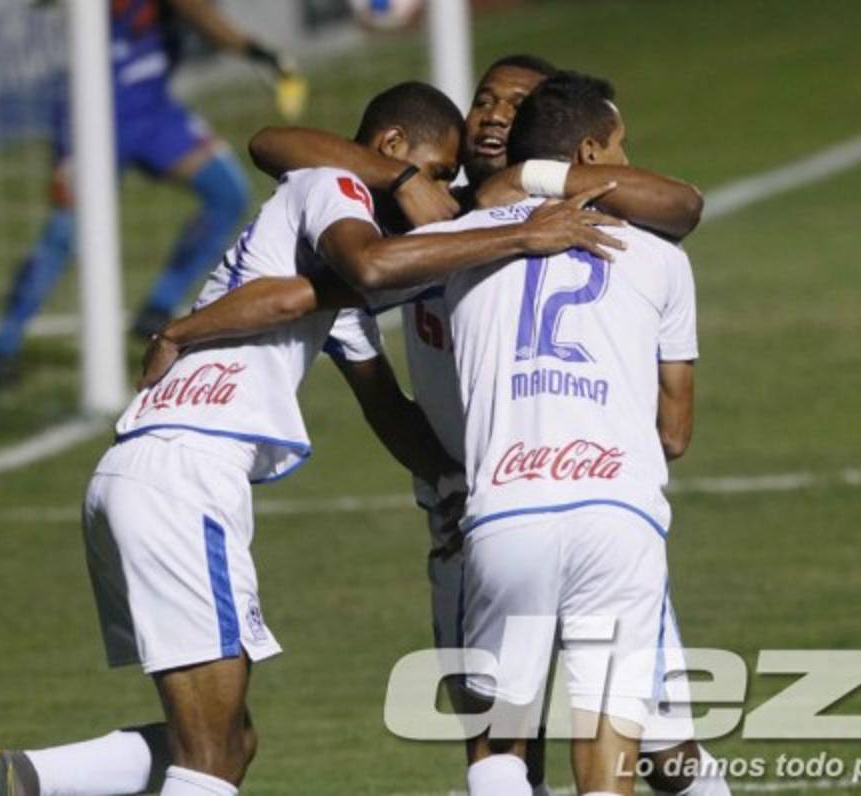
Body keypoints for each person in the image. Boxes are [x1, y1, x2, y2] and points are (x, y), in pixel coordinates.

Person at [0, 81, 622, 796]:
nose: (432, 195)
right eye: (434, 173)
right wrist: (522, 233)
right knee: (210, 760)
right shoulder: (333, 185)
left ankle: (25, 779)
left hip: (138, 474)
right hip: (187, 475)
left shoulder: (317, 263)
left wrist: (459, 486)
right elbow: (356, 265)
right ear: (393, 149)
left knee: (229, 742)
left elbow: (379, 398)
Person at [234, 55, 720, 795]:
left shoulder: (501, 225)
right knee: (508, 743)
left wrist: (531, 183)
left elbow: (680, 203)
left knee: (663, 753)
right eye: (484, 100)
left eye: (515, 105)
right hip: (493, 513)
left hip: (535, 502)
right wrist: (400, 181)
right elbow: (275, 146)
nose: (494, 114)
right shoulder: (442, 222)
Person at [422, 70, 730, 796]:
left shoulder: (456, 246)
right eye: (622, 148)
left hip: (504, 514)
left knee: (500, 746)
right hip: (619, 514)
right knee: (612, 751)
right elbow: (675, 432)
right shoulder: (661, 258)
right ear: (591, 153)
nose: (631, 163)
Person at [0, 0, 291, 389]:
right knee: (64, 234)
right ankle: (1, 348)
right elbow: (200, 14)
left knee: (227, 194)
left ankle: (158, 308)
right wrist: (257, 51)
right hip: (92, 113)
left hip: (154, 114)